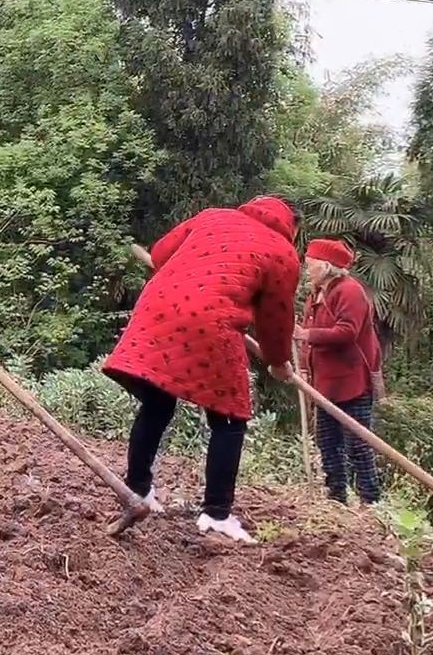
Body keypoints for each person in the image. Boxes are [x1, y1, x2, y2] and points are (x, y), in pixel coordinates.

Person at [103, 196, 302, 543]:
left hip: (157, 309)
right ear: (291, 228)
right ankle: (217, 513)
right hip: (210, 324)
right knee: (229, 418)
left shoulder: (214, 216)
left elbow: (161, 253)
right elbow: (275, 319)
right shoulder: (283, 253)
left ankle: (137, 488)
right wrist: (277, 360)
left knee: (157, 402)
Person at [296, 238, 384, 505]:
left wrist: (307, 335)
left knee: (358, 445)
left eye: (311, 265)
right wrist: (302, 366)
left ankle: (370, 502)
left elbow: (347, 332)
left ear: (326, 266)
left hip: (351, 383)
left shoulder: (349, 291)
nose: (307, 269)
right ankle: (337, 499)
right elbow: (303, 338)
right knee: (328, 443)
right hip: (325, 385)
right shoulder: (315, 295)